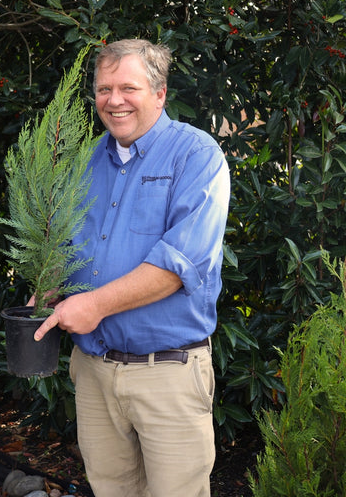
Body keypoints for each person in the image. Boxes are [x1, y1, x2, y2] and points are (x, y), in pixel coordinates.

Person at [34, 38, 230, 497]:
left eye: (129, 87)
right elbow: (68, 246)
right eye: (104, 89)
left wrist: (95, 305)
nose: (114, 100)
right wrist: (50, 289)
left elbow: (178, 265)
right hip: (94, 372)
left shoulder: (196, 156)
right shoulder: (83, 162)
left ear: (159, 93)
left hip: (169, 375)